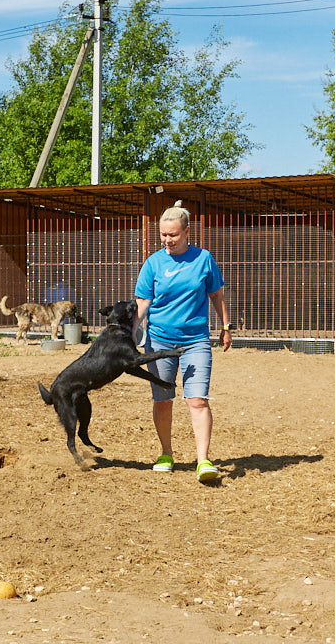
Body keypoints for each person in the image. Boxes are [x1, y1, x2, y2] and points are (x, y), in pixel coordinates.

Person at [134, 201, 231, 482]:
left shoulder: (203, 259)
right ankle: (166, 453)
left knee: (197, 400)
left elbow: (217, 295)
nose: (168, 240)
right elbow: (143, 302)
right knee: (163, 400)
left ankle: (203, 461)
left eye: (173, 235)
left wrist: (226, 327)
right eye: (163, 235)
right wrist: (130, 332)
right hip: (159, 343)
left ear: (187, 232)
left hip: (195, 341)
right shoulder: (153, 263)